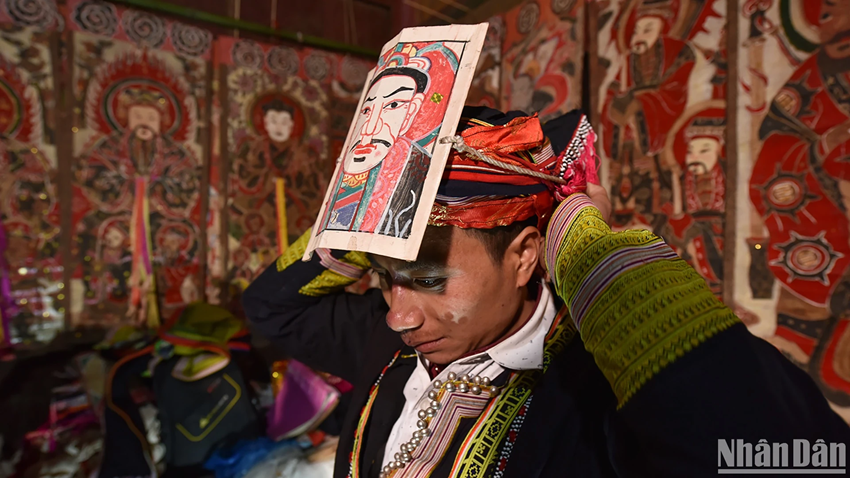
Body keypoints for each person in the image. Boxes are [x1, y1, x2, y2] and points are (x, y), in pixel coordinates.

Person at [244, 106, 850, 477]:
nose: (400, 313)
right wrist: (368, 220)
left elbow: (799, 457)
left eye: (429, 280)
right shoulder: (391, 342)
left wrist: (591, 253)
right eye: (386, 279)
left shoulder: (592, 393)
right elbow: (269, 306)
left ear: (526, 256)